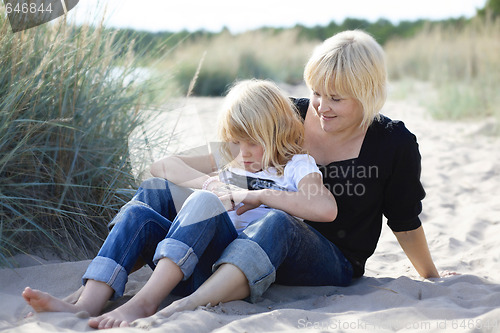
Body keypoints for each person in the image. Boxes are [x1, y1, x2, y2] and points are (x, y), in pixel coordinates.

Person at [133, 29, 440, 326]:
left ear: (367, 94)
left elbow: (404, 220)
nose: (322, 107)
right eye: (316, 92)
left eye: (336, 98)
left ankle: (190, 302)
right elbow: (222, 157)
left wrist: (430, 276)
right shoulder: (287, 115)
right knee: (156, 191)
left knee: (279, 221)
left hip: (330, 259)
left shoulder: (393, 143)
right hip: (244, 241)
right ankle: (103, 283)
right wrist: (212, 183)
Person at [21, 79, 336, 329]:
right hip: (186, 264)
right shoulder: (234, 158)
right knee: (138, 213)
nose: (245, 151)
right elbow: (163, 165)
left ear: (277, 131)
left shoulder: (295, 165)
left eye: (253, 141)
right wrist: (212, 183)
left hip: (228, 275)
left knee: (201, 203)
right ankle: (86, 303)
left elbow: (324, 208)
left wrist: (261, 195)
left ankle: (145, 302)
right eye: (238, 141)